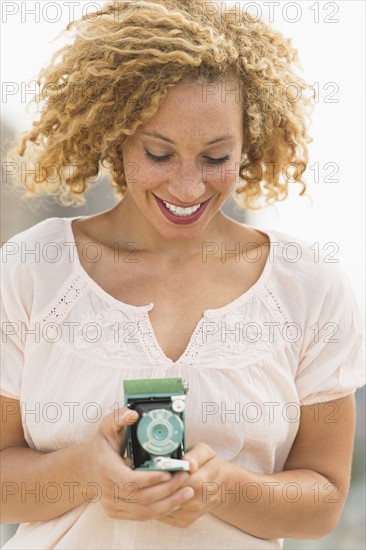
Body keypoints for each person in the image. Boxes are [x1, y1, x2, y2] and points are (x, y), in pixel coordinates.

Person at [1, 1, 364, 549]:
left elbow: (323, 504)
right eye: (159, 153)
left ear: (249, 144)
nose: (189, 188)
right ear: (114, 134)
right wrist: (87, 472)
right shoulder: (33, 268)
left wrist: (226, 490)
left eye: (216, 157)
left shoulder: (309, 287)